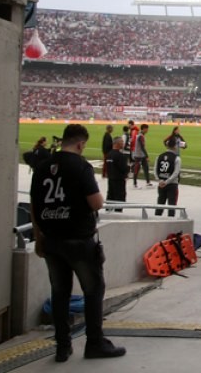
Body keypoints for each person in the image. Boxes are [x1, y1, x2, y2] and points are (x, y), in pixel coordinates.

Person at [29, 124, 126, 362]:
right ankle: (94, 343)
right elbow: (96, 203)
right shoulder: (81, 166)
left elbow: (34, 206)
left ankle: (62, 346)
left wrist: (39, 238)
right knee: (93, 290)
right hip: (78, 240)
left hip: (51, 239)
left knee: (59, 293)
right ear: (81, 144)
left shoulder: (42, 167)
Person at [154, 137, 181, 217]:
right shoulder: (177, 158)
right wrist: (167, 182)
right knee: (172, 204)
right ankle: (170, 222)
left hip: (161, 184)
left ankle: (156, 220)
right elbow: (176, 173)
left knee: (160, 203)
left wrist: (160, 181)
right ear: (174, 146)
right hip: (172, 184)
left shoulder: (159, 156)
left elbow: (155, 170)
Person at [105, 136, 128, 212]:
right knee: (119, 199)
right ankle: (118, 214)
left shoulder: (109, 154)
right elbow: (124, 168)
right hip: (119, 181)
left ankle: (108, 212)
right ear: (117, 143)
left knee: (110, 196)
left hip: (111, 179)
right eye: (122, 142)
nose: (123, 143)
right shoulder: (120, 156)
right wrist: (128, 168)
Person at [132, 124, 152, 188]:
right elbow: (142, 147)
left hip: (141, 155)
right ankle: (135, 183)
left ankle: (148, 182)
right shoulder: (140, 136)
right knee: (137, 169)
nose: (147, 130)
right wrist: (147, 156)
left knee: (146, 168)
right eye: (147, 129)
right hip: (138, 155)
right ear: (144, 129)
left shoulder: (141, 135)